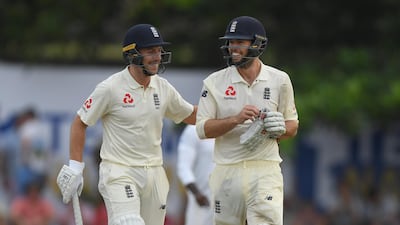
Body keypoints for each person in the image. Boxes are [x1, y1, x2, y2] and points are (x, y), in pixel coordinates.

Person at [56, 23, 197, 225]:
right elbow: (80, 122)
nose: (157, 56)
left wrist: (232, 115)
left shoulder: (162, 87)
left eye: (159, 50)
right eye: (150, 51)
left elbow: (191, 114)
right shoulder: (110, 88)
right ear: (132, 54)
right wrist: (76, 167)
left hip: (154, 172)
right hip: (119, 171)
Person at [195, 16, 299, 225]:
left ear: (257, 44)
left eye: (240, 42)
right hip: (227, 171)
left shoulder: (280, 80)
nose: (233, 47)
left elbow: (292, 126)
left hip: (264, 170)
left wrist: (277, 129)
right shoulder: (214, 82)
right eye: (231, 42)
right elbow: (202, 129)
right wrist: (235, 119)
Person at [176, 125, 215, 225]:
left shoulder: (232, 126)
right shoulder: (193, 130)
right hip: (202, 202)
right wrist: (197, 194)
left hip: (228, 201)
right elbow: (183, 167)